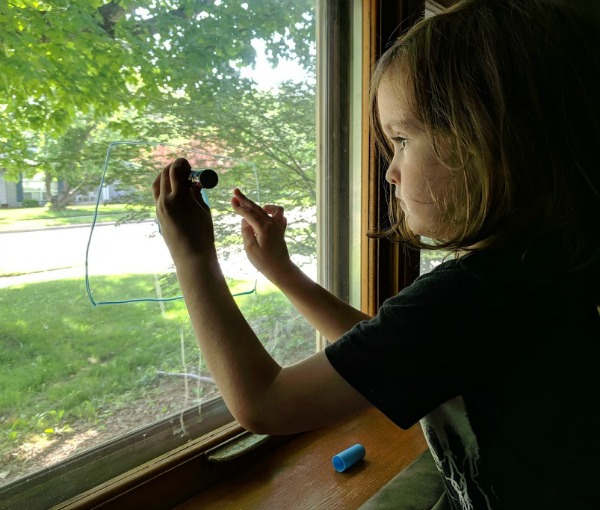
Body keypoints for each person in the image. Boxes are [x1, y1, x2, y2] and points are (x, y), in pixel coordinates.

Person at [152, 0, 600, 508]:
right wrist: (281, 270)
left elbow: (266, 404)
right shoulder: (545, 265)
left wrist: (192, 257)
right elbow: (391, 354)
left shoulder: (475, 293)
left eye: (402, 139)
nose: (390, 172)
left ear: (492, 141)